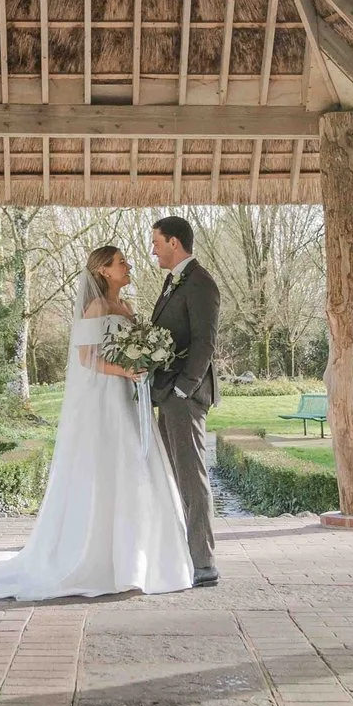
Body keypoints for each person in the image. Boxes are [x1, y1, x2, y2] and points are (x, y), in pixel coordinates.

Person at [0, 245, 195, 601]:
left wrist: (144, 362)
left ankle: (136, 557)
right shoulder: (96, 307)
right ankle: (98, 555)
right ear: (104, 270)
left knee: (136, 463)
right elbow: (86, 358)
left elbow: (130, 347)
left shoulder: (128, 308)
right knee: (110, 465)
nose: (128, 265)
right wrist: (124, 369)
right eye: (121, 262)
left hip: (128, 394)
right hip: (106, 396)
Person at [147, 216, 221, 586]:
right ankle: (181, 554)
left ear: (174, 243)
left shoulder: (201, 283)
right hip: (167, 393)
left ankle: (204, 562)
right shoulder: (172, 282)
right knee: (173, 475)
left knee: (192, 476)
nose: (153, 249)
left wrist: (183, 388)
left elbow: (206, 343)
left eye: (157, 242)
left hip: (184, 396)